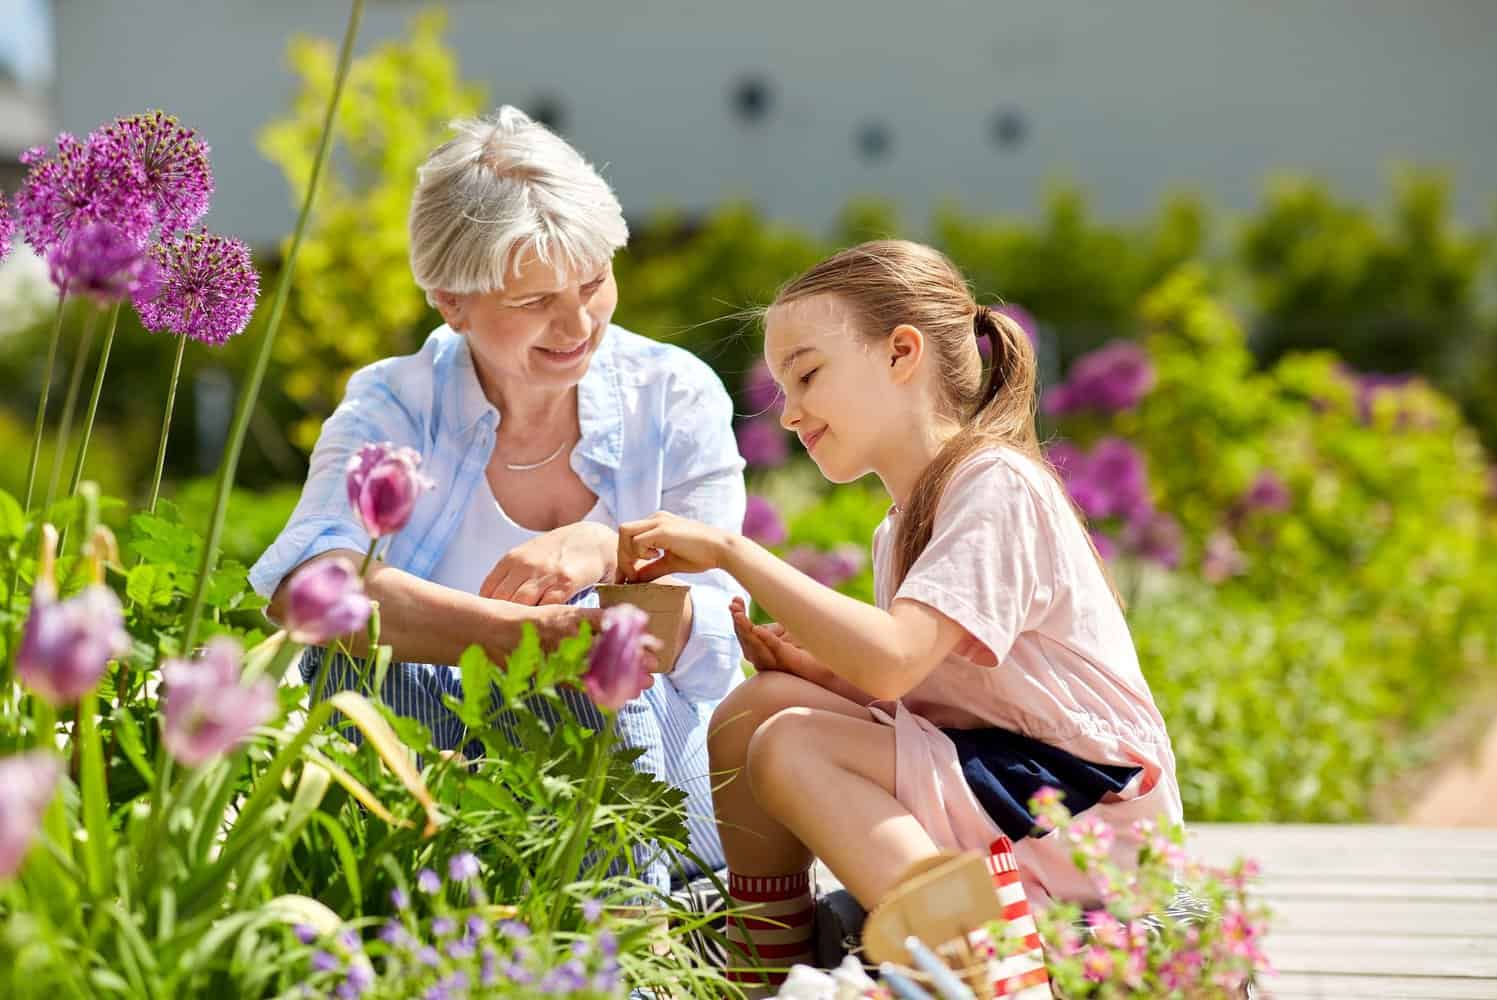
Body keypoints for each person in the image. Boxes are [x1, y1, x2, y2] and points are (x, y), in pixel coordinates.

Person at [616, 240, 1183, 989]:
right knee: (756, 709)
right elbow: (934, 690)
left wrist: (733, 551)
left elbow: (895, 657)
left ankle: (991, 968)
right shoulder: (904, 522)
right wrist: (820, 670)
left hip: (1084, 808)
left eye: (808, 375)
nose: (789, 414)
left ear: (901, 353)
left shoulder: (996, 483)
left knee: (792, 745)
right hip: (1010, 780)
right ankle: (765, 967)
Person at [248, 107, 747, 889]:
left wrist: (610, 551)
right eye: (534, 301)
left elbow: (714, 635)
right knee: (340, 677)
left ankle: (614, 937)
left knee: (587, 698)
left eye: (593, 282)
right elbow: (310, 590)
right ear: (451, 302)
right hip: (438, 759)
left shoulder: (674, 395)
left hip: (639, 756)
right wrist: (531, 639)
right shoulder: (394, 402)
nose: (578, 323)